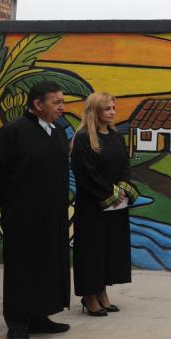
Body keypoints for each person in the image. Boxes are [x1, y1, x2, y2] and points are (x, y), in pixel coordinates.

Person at [0, 81, 72, 339]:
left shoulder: (56, 133)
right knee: (22, 269)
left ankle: (40, 317)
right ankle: (18, 323)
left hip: (52, 217)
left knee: (47, 265)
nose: (62, 108)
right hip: (23, 218)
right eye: (57, 102)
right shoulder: (14, 132)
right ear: (37, 104)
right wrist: (11, 203)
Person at [70, 92, 138, 317]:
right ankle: (89, 296)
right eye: (107, 109)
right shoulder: (82, 138)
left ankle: (102, 293)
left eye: (113, 108)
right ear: (95, 111)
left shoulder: (116, 136)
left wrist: (123, 190)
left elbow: (124, 166)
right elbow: (85, 173)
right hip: (92, 206)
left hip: (115, 206)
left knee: (109, 249)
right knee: (92, 250)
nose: (112, 112)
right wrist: (109, 193)